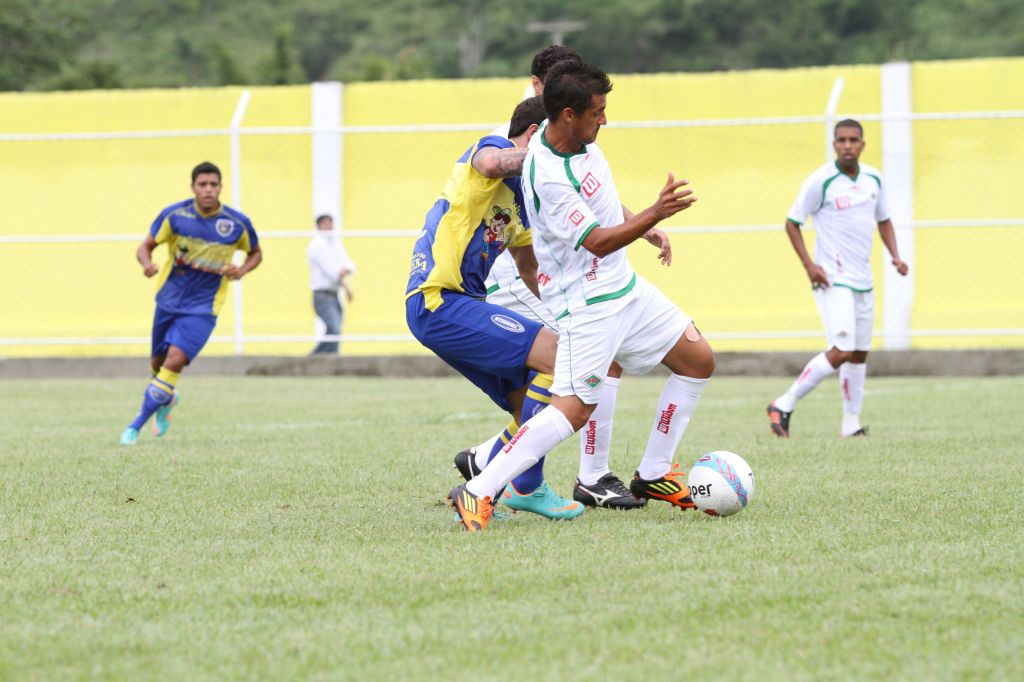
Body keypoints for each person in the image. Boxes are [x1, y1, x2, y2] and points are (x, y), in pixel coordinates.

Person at [449, 60, 713, 531]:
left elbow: (604, 204)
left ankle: (653, 473)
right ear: (568, 115)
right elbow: (597, 240)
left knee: (697, 360)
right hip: (588, 303)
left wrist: (644, 225)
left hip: (627, 289)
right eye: (597, 112)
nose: (605, 120)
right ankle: (479, 489)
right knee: (572, 409)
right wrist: (656, 213)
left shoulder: (582, 141)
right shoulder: (548, 176)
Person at [406, 96, 584, 520]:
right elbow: (490, 163)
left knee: (528, 403)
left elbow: (529, 269)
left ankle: (516, 487)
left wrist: (571, 313)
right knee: (561, 358)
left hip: (458, 307)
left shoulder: (520, 201)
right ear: (535, 134)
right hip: (440, 300)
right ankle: (509, 487)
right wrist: (542, 156)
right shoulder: (488, 153)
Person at [766, 119, 909, 438]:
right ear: (834, 144)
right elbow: (792, 222)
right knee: (842, 348)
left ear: (862, 144)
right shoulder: (821, 180)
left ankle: (851, 423)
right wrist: (809, 265)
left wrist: (895, 256)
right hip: (832, 279)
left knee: (858, 353)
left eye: (853, 140)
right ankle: (784, 403)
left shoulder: (873, 179)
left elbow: (884, 220)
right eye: (841, 140)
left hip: (863, 279)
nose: (847, 145)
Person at [120, 161, 262, 445]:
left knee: (175, 360)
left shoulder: (236, 224)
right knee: (157, 363)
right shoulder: (175, 215)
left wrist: (242, 270)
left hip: (204, 307)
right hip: (169, 299)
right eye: (203, 184)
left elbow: (256, 253)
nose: (208, 190)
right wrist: (147, 264)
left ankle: (134, 427)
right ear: (193, 187)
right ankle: (167, 399)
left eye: (214, 184)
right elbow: (145, 246)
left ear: (221, 187)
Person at [307, 214, 355, 355]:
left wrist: (345, 270)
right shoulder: (316, 245)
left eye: (331, 223)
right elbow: (332, 272)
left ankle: (329, 360)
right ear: (319, 226)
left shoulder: (335, 244)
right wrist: (346, 284)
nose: (329, 226)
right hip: (322, 295)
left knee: (335, 331)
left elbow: (349, 265)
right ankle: (314, 358)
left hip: (333, 294)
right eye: (325, 223)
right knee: (334, 329)